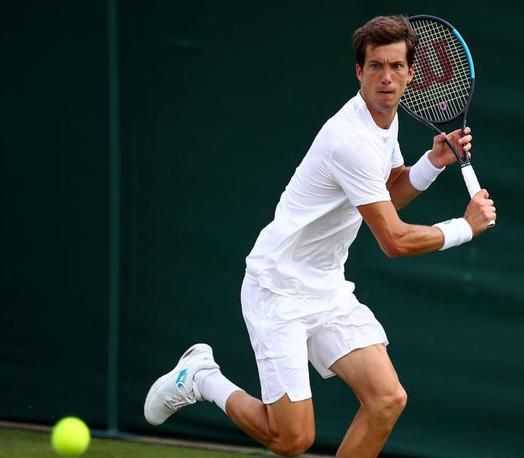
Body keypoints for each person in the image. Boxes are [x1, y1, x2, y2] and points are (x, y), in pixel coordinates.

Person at [144, 15, 496, 458]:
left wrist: (432, 163)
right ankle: (200, 378)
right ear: (358, 71)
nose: (386, 78)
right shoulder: (348, 139)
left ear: (411, 72)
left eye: (395, 67)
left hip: (325, 288)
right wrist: (465, 226)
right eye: (374, 67)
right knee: (292, 440)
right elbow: (393, 239)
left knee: (387, 400)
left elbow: (387, 193)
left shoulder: (385, 122)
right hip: (278, 288)